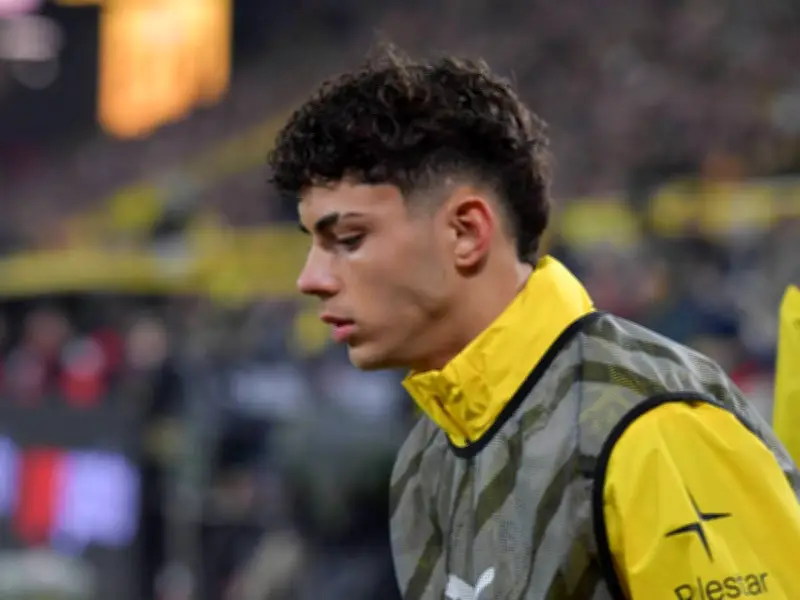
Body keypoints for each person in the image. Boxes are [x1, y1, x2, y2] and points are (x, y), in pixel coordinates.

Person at [268, 45, 800, 600]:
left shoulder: (651, 426)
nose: (310, 279)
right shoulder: (427, 456)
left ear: (466, 232)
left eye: (348, 239)